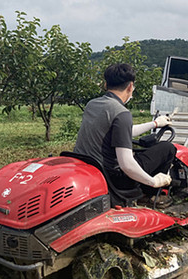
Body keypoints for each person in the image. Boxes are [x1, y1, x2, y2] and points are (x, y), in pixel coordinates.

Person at [74, 63, 176, 199]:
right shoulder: (122, 113)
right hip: (115, 179)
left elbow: (121, 131)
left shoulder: (92, 104)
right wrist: (154, 181)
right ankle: (149, 194)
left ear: (106, 85)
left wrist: (155, 123)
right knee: (167, 148)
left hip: (89, 168)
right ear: (130, 87)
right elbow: (127, 165)